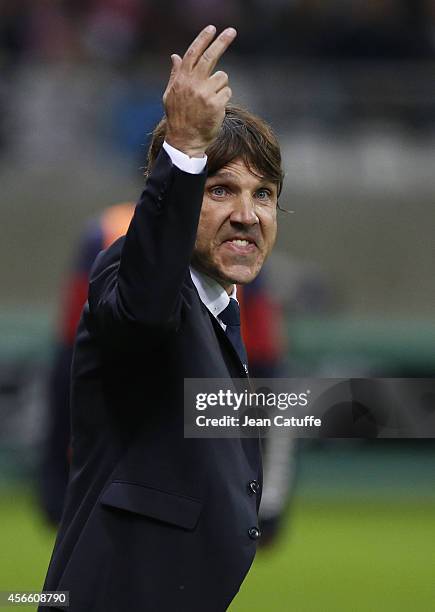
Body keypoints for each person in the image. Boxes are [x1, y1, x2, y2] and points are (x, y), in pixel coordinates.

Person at [40, 25, 284, 612]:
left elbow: (210, 413)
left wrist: (399, 409)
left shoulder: (218, 310)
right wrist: (184, 151)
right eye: (221, 190)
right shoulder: (133, 276)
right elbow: (145, 303)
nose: (249, 215)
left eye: (265, 194)